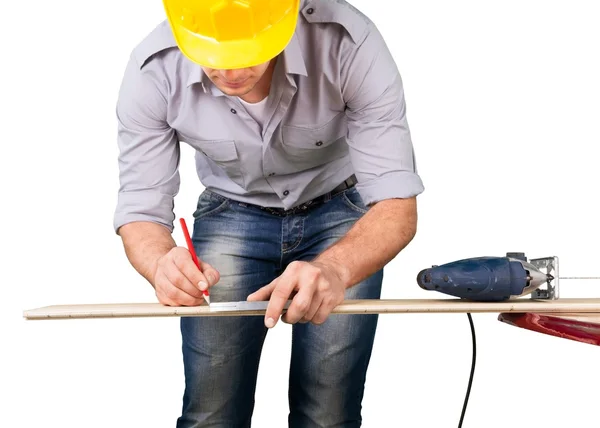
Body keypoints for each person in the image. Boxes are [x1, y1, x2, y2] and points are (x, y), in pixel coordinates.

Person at [113, 0, 424, 426]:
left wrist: (334, 270)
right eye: (213, 57)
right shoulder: (153, 69)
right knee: (211, 413)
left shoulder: (349, 43)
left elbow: (396, 206)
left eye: (247, 53)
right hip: (230, 211)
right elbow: (140, 209)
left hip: (341, 213)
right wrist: (160, 263)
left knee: (329, 413)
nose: (229, 72)